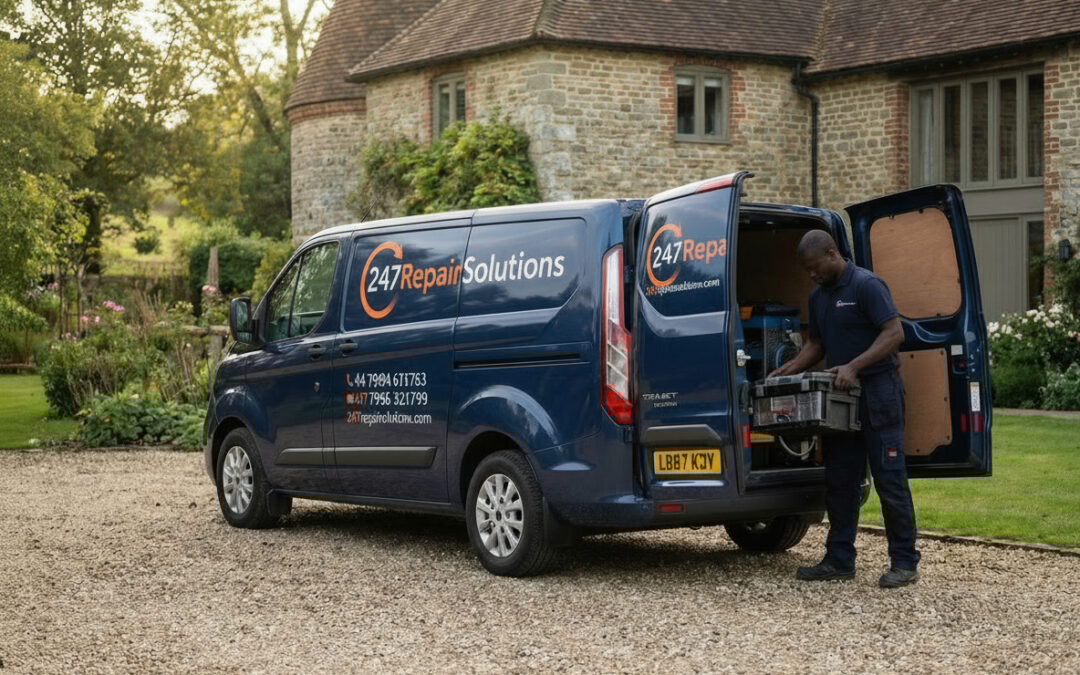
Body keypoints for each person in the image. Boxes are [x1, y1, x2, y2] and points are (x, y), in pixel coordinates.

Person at [770, 229, 920, 588]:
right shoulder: (819, 297)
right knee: (840, 480)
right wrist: (787, 370)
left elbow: (894, 333)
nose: (811, 274)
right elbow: (816, 345)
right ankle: (839, 559)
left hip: (879, 393)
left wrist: (854, 366)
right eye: (806, 269)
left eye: (814, 266)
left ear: (832, 254)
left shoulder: (867, 286)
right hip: (841, 400)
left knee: (889, 479)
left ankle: (904, 561)